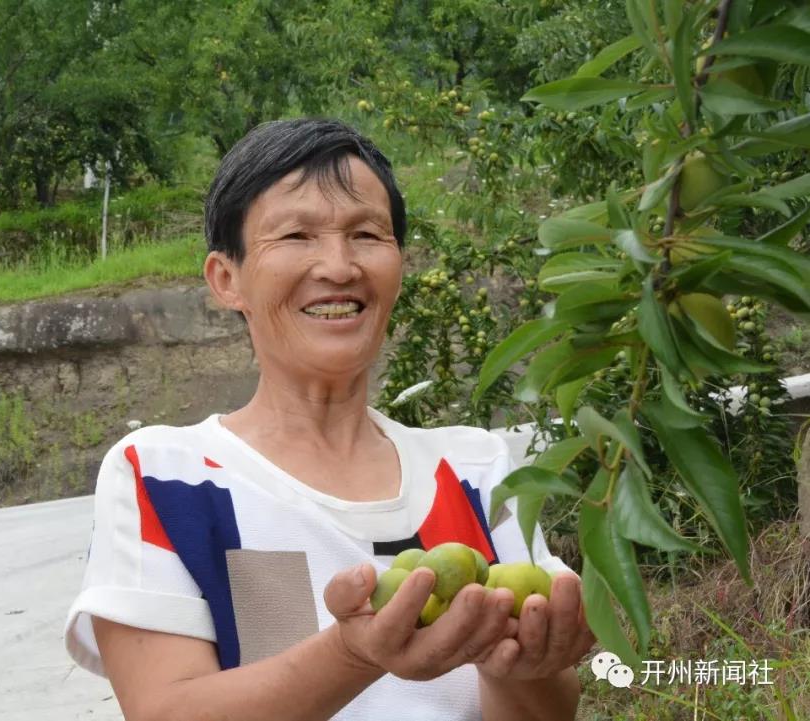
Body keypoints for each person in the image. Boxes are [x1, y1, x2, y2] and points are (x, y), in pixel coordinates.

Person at [64, 118, 596, 720]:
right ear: (226, 278)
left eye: (368, 234)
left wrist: (521, 667)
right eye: (296, 235)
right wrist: (353, 654)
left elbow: (544, 712)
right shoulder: (170, 479)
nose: (339, 266)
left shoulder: (476, 469)